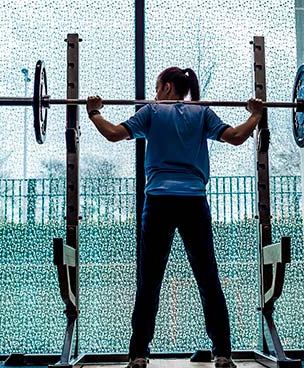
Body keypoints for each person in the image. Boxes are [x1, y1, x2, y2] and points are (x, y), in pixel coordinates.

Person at [86, 67, 264, 368]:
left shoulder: (152, 111)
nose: (155, 93)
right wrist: (255, 115)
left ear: (168, 87)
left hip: (158, 202)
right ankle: (223, 354)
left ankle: (139, 355)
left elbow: (114, 134)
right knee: (208, 278)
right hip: (193, 201)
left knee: (150, 280)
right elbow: (235, 137)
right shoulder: (202, 113)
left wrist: (94, 113)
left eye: (157, 87)